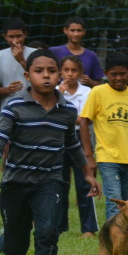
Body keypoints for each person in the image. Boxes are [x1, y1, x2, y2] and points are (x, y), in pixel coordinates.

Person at [0, 49, 101, 255]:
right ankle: (5, 245)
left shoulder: (67, 111)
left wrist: (87, 172)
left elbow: (71, 144)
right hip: (15, 184)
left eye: (51, 70)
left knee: (48, 234)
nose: (46, 75)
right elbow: (0, 136)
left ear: (60, 74)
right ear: (28, 75)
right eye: (39, 71)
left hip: (50, 182)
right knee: (17, 248)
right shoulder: (14, 107)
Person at [79, 52, 128, 220]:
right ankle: (113, 239)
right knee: (114, 200)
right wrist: (88, 155)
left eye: (123, 73)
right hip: (106, 156)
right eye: (113, 74)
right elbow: (84, 122)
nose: (118, 78)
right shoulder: (98, 92)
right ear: (106, 73)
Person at [57, 55, 99, 238]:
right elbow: (50, 113)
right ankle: (58, 226)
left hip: (80, 138)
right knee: (59, 183)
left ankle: (89, 228)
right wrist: (59, 94)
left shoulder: (88, 92)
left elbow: (85, 118)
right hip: (58, 138)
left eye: (74, 70)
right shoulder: (55, 91)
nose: (70, 74)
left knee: (85, 182)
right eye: (66, 70)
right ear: (60, 72)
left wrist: (68, 118)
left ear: (80, 72)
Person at [0, 18, 36, 108]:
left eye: (19, 36)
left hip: (33, 107)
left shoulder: (35, 54)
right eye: (11, 37)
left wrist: (22, 60)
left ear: (25, 34)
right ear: (5, 36)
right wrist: (7, 90)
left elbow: (41, 80)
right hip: (9, 109)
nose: (15, 41)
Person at [51, 16, 104, 88]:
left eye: (79, 30)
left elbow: (100, 85)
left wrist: (90, 82)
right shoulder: (55, 52)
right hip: (59, 96)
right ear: (65, 30)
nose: (76, 34)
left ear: (84, 32)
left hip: (84, 97)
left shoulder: (91, 56)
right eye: (72, 30)